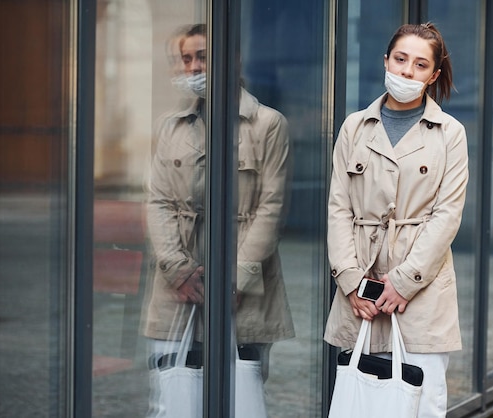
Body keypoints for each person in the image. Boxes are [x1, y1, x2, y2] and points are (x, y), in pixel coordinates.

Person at [141, 23, 295, 416]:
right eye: (186, 59)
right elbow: (157, 201)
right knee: (175, 388)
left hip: (243, 284)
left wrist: (236, 277)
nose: (193, 67)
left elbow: (272, 208)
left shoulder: (267, 124)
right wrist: (178, 270)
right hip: (179, 284)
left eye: (203, 56)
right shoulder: (170, 128)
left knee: (240, 389)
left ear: (231, 58)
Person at [324, 22, 469, 417]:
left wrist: (404, 282)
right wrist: (350, 280)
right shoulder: (355, 126)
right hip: (362, 290)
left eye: (420, 65)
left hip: (421, 291)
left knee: (421, 402)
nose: (407, 71)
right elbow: (339, 207)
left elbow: (447, 215)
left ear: (433, 75)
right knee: (361, 401)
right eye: (401, 59)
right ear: (386, 61)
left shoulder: (450, 134)